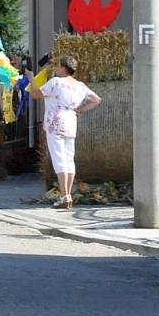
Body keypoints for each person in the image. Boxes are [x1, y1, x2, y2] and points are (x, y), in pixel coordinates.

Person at [28, 55, 101, 209]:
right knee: (69, 159)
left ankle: (64, 196)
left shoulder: (56, 82)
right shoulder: (80, 86)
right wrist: (80, 110)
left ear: (63, 68)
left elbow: (35, 94)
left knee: (59, 159)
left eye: (58, 66)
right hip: (71, 121)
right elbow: (96, 99)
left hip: (56, 122)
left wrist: (31, 79)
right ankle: (67, 195)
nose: (56, 68)